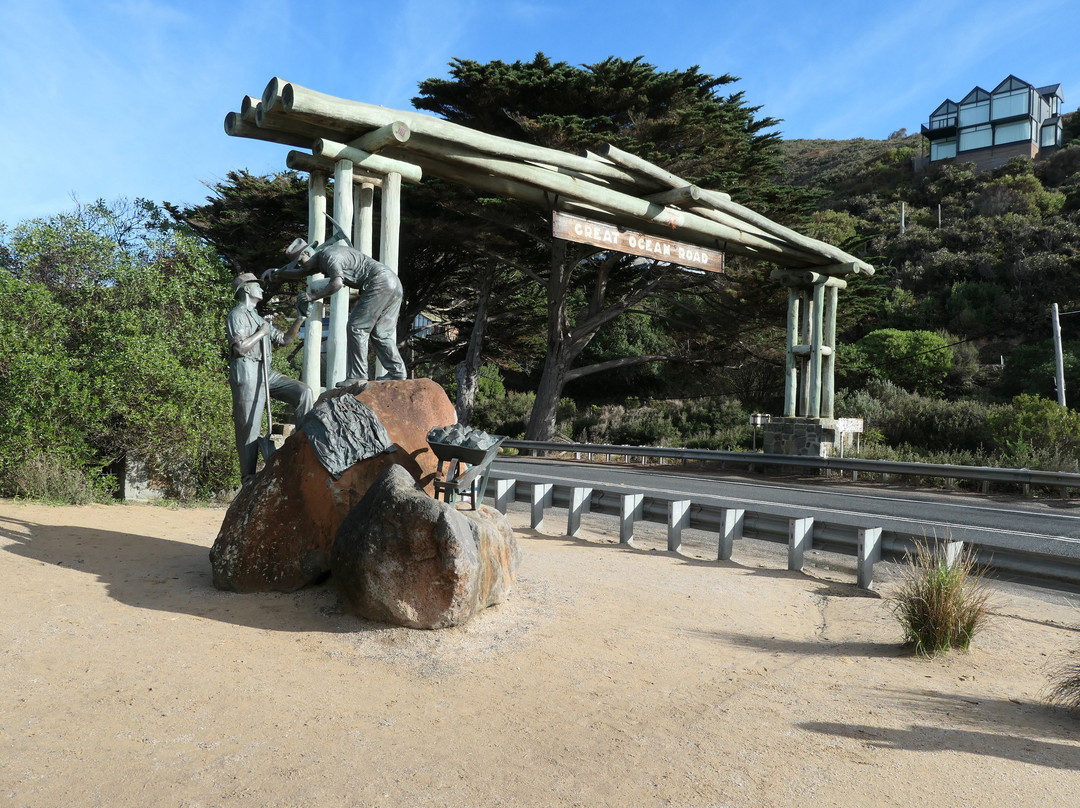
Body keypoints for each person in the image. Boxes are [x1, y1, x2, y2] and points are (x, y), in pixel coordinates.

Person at [265, 238, 407, 384]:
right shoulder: (318, 259)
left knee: (356, 328)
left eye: (301, 261)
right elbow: (301, 272)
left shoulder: (329, 256)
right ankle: (397, 373)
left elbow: (337, 283)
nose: (301, 266)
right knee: (381, 333)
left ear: (308, 252)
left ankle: (357, 376)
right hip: (393, 283)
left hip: (379, 282)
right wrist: (277, 272)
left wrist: (314, 296)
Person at [226, 273, 313, 480]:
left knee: (304, 392)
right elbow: (239, 349)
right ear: (247, 289)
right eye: (258, 286)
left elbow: (284, 340)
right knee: (250, 427)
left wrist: (300, 318)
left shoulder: (259, 318)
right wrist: (261, 334)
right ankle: (248, 478)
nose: (262, 290)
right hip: (246, 371)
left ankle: (302, 446)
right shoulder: (236, 315)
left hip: (266, 372)